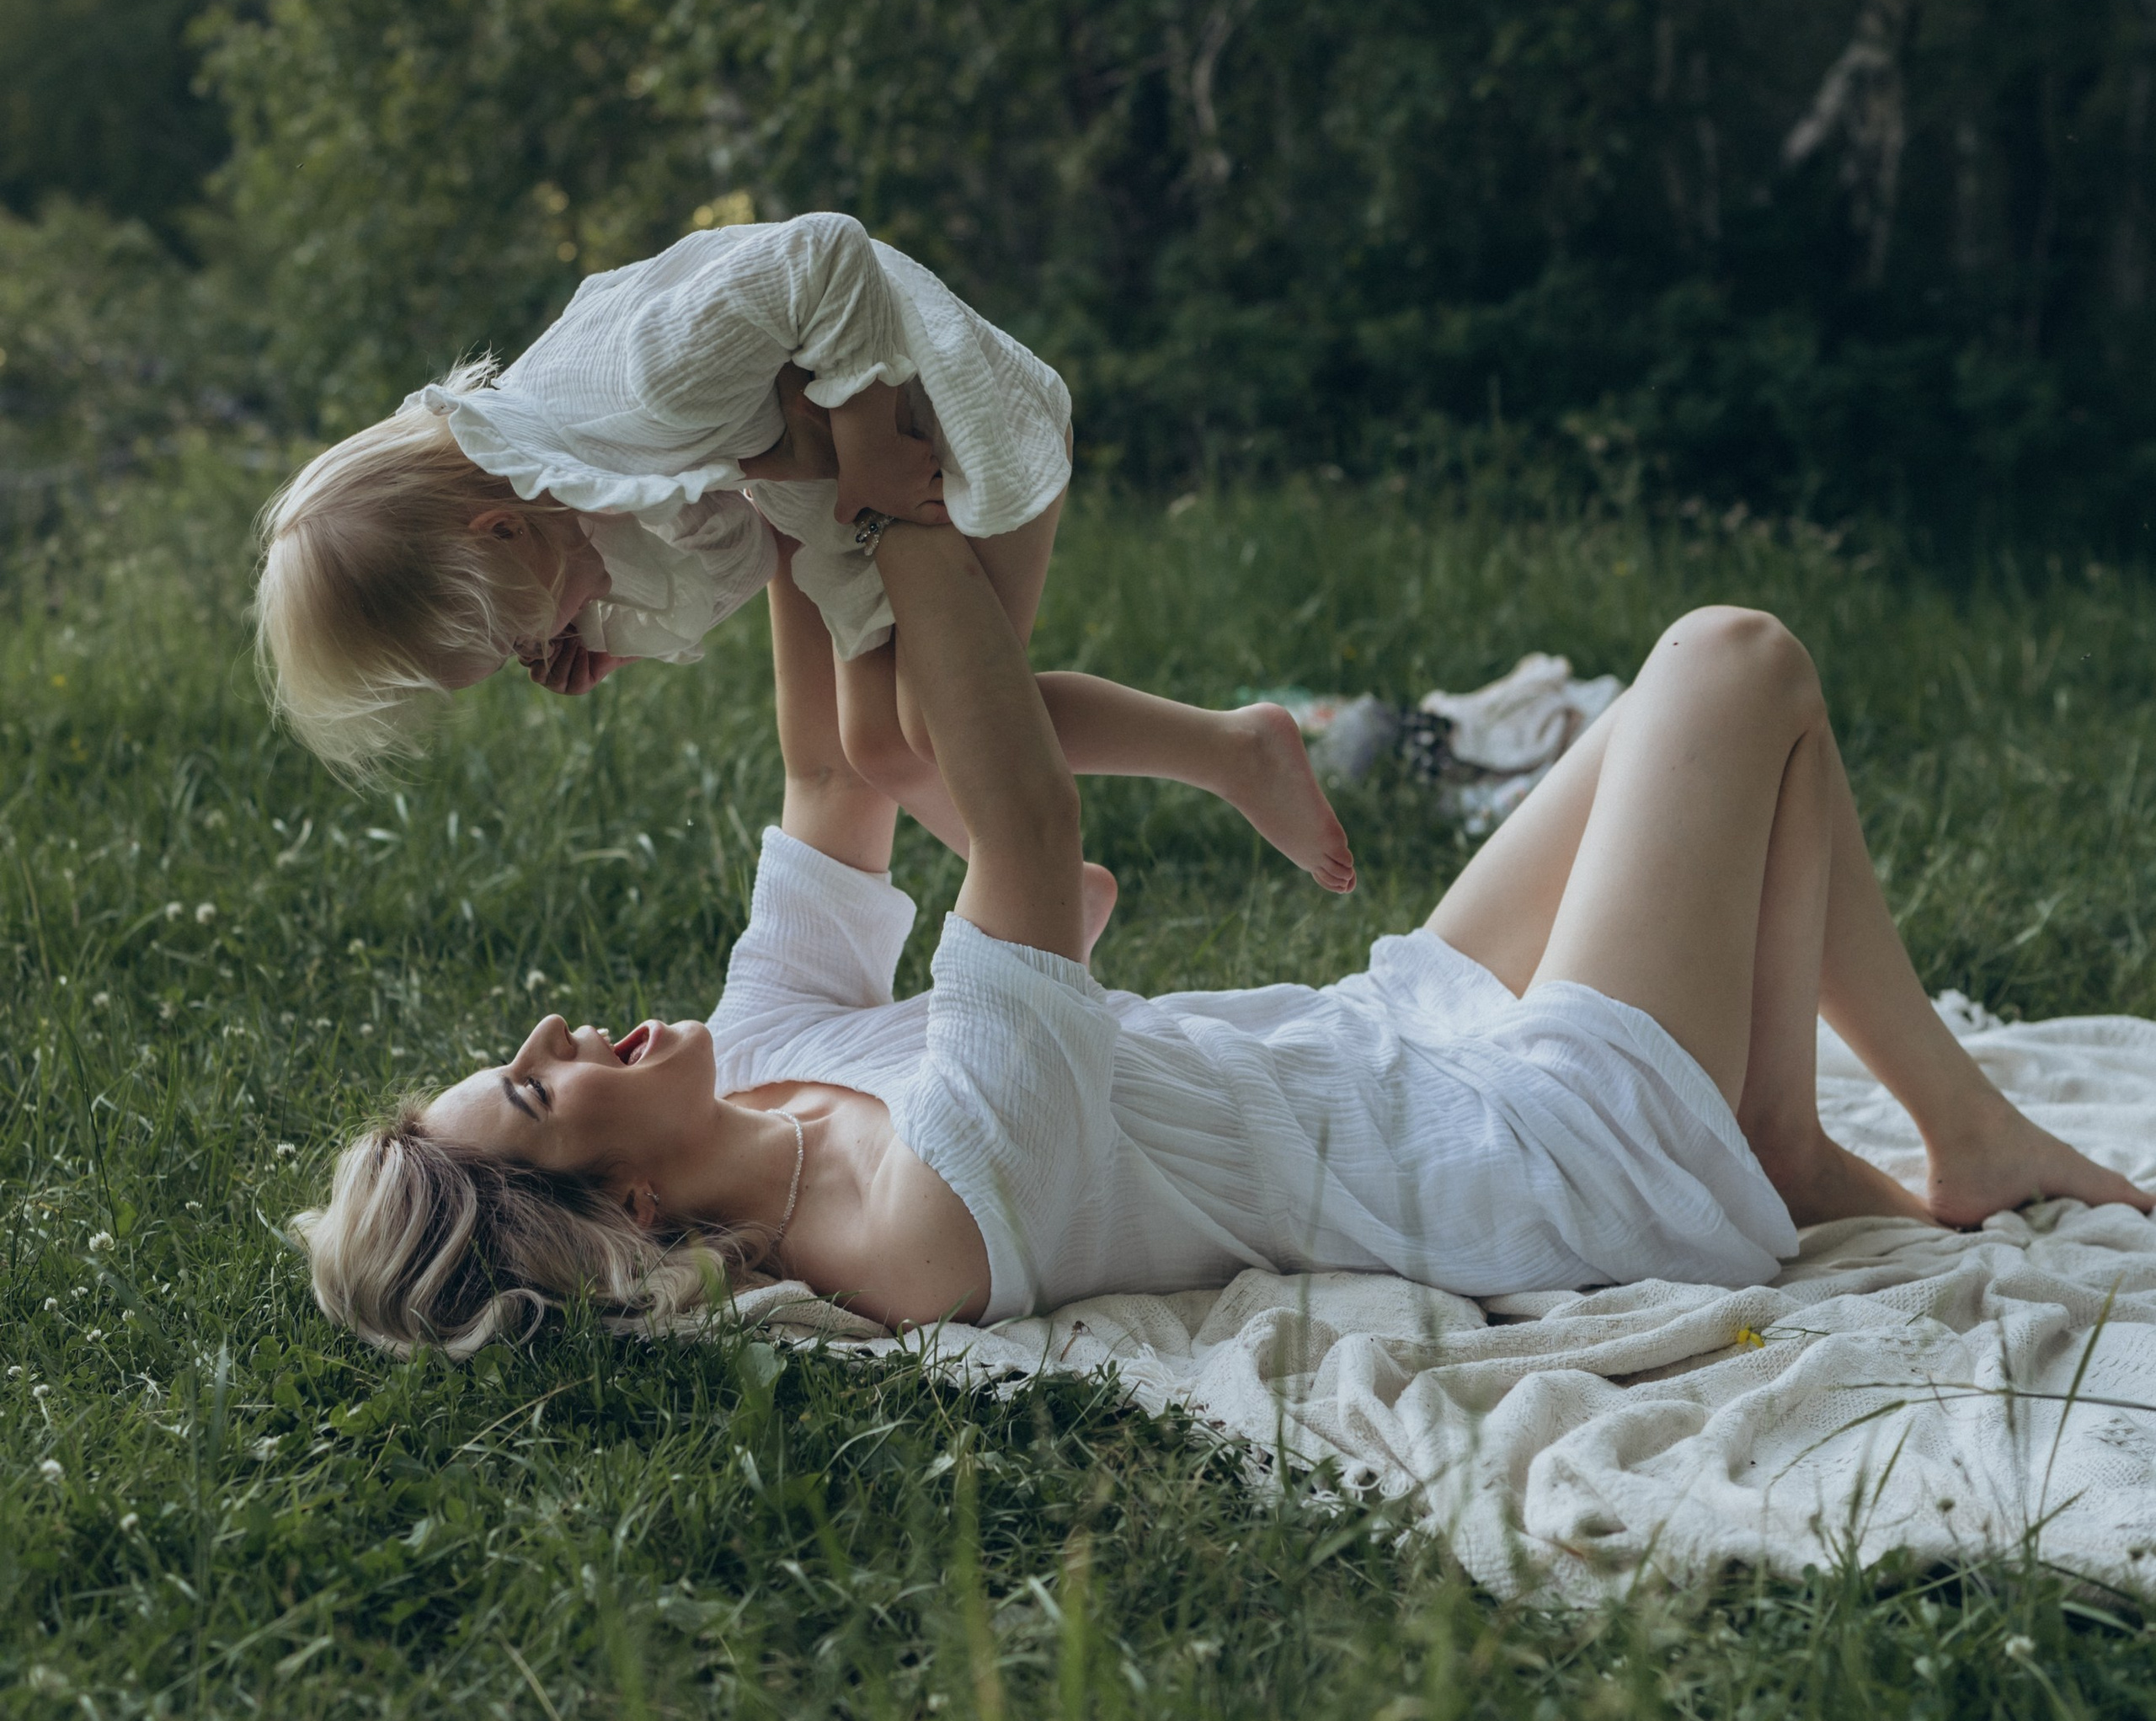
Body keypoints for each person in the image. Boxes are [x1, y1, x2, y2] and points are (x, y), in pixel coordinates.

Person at [296, 513, 2149, 1361]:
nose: (551, 1034)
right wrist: (884, 500)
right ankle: (1907, 1140)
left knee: (1708, 742)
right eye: (532, 1098)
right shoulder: (913, 1232)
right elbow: (1018, 819)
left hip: (1384, 1041)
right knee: (1730, 665)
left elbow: (825, 767)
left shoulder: (776, 1059)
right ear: (618, 1218)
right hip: (1519, 1163)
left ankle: (1802, 1146)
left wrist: (777, 470)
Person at [252, 209, 1354, 889]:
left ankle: (1225, 759)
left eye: (515, 643)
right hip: (838, 498)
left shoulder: (642, 377)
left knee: (933, 720)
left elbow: (827, 254)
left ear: (502, 532)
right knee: (878, 744)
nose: (544, 655)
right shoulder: (570, 466)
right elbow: (727, 529)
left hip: (949, 425)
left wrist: (870, 438)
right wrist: (619, 637)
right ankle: (1053, 875)